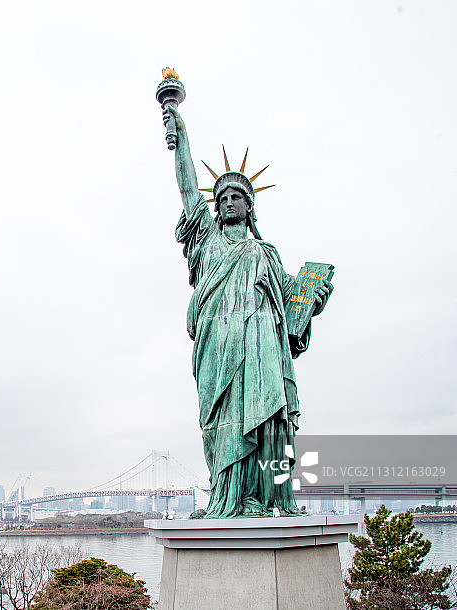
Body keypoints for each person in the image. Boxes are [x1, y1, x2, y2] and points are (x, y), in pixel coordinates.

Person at [163, 105, 332, 518]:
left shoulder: (266, 252)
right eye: (222, 198)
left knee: (270, 420)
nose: (229, 201)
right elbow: (188, 190)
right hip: (218, 344)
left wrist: (317, 295)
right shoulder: (206, 240)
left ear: (250, 205)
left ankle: (266, 496)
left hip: (261, 345)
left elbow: (294, 304)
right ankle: (228, 494)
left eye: (237, 196)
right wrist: (179, 131)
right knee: (221, 422)